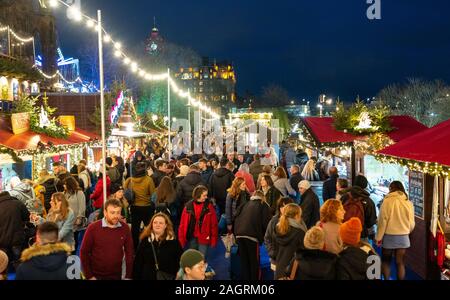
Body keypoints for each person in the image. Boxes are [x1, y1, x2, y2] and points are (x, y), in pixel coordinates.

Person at [80, 199, 134, 280]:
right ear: (105, 212)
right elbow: (84, 253)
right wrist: (89, 276)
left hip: (117, 276)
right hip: (96, 276)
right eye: (112, 212)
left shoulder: (125, 228)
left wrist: (128, 276)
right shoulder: (93, 228)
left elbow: (129, 253)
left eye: (118, 212)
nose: (116, 216)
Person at [376, 181, 415, 280]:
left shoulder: (387, 201)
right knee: (400, 262)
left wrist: (378, 237)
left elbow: (382, 220)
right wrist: (407, 231)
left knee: (386, 261)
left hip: (389, 236)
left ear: (391, 189)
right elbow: (411, 223)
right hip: (403, 237)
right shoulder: (408, 202)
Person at [234, 191, 271, 280]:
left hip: (239, 235)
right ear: (263, 197)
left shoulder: (245, 204)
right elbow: (266, 223)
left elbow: (235, 216)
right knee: (254, 262)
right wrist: (265, 238)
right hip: (252, 236)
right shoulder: (264, 205)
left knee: (244, 262)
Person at [133, 213, 183, 280]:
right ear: (152, 225)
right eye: (155, 222)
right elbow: (138, 262)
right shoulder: (145, 241)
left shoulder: (173, 242)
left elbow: (180, 262)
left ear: (165, 225)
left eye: (161, 223)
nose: (157, 225)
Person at [124, 162, 156, 250]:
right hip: (147, 207)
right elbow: (153, 194)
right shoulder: (149, 180)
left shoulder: (129, 180)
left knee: (135, 229)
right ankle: (148, 246)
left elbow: (125, 191)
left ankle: (134, 248)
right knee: (148, 228)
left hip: (134, 207)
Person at [178, 186, 218, 258]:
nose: (206, 197)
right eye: (204, 195)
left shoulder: (209, 207)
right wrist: (181, 238)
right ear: (198, 195)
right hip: (192, 236)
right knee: (193, 258)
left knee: (202, 258)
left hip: (204, 236)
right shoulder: (188, 207)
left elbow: (214, 224)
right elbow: (183, 224)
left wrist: (214, 239)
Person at [273, 203, 307, 279]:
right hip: (292, 272)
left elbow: (274, 248)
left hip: (279, 268)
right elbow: (303, 254)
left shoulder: (278, 228)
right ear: (296, 216)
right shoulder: (300, 232)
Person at [264, 197, 295, 272]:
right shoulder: (274, 220)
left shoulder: (295, 222)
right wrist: (272, 253)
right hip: (276, 259)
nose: (283, 208)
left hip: (291, 261)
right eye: (281, 206)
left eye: (286, 206)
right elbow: (267, 237)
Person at [0, 191, 29, 268]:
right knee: (18, 260)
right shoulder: (18, 204)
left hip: (2, 240)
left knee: (3, 263)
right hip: (17, 238)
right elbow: (27, 217)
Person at [63, 176, 86, 252]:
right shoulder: (65, 193)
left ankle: (73, 256)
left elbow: (82, 206)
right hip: (66, 220)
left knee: (74, 239)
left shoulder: (79, 192)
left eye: (65, 184)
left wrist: (79, 218)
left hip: (76, 221)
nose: (64, 186)